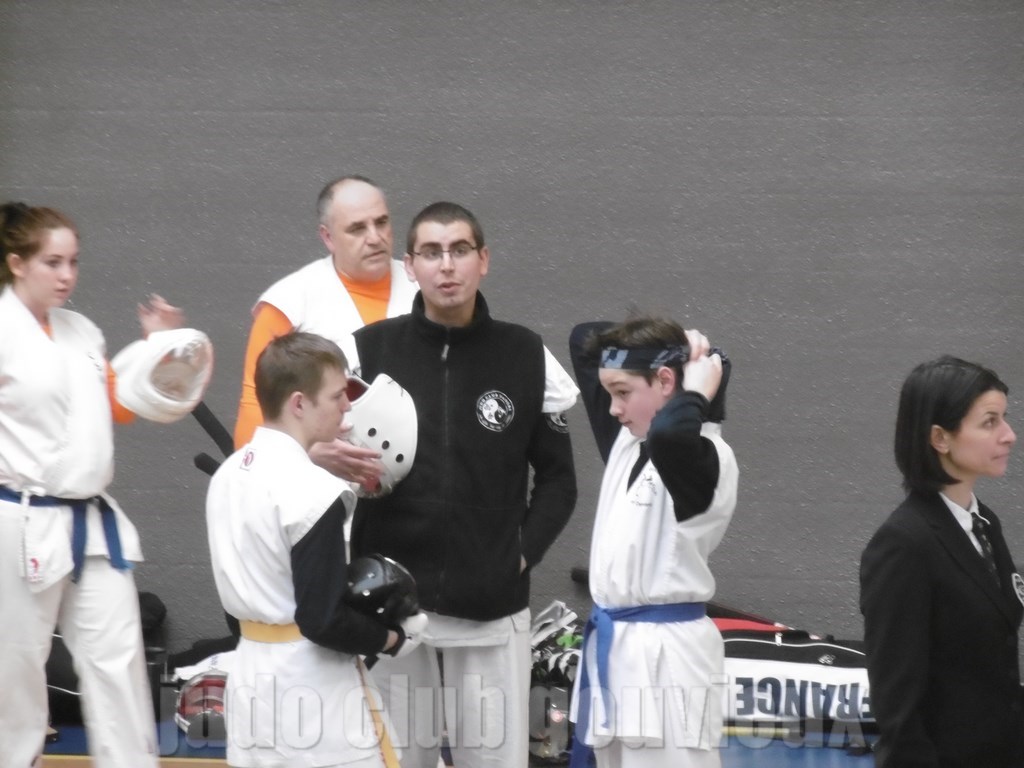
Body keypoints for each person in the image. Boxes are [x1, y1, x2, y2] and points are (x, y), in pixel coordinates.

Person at [350, 201, 579, 768]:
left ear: (484, 260)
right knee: (397, 761)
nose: (446, 265)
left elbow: (559, 481)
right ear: (410, 265)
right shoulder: (368, 351)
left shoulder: (525, 354)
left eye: (459, 250)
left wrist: (519, 555)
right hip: (392, 607)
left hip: (490, 605)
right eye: (431, 252)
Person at [0, 202, 191, 767]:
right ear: (16, 263)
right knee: (16, 668)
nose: (67, 275)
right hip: (20, 519)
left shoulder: (82, 332)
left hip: (91, 521)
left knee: (118, 660)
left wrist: (158, 348)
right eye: (52, 262)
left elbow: (121, 406)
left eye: (73, 262)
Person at [206, 331, 427, 767]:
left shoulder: (228, 476)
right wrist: (392, 638)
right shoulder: (312, 490)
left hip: (250, 679)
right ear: (299, 403)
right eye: (336, 395)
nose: (347, 406)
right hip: (313, 694)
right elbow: (322, 619)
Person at [567, 317, 739, 768]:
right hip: (617, 647)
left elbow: (671, 436)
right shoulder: (628, 443)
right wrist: (693, 350)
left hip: (669, 661)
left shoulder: (704, 458)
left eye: (623, 392)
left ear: (665, 383)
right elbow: (583, 337)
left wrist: (700, 392)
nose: (612, 409)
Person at [860, 355, 1024, 767]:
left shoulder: (985, 524)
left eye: (1004, 419)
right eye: (989, 422)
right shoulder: (903, 545)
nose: (1009, 435)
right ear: (940, 438)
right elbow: (897, 707)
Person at [233, 175, 418, 487]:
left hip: (421, 490)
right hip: (320, 495)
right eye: (357, 228)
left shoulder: (425, 289)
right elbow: (255, 411)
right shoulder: (289, 304)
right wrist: (306, 452)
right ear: (328, 237)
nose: (375, 238)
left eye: (382, 222)